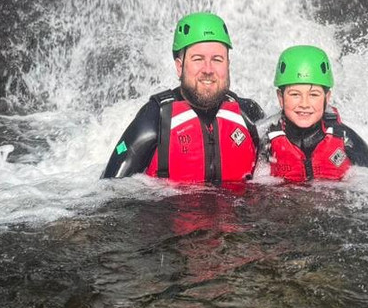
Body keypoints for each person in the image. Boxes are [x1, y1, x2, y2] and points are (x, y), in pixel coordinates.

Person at [102, 12, 264, 183]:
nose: (208, 69)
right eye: (198, 59)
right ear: (179, 67)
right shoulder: (155, 118)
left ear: (228, 64)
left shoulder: (249, 114)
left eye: (217, 59)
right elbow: (110, 191)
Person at [264, 45, 368, 181]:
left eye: (314, 95)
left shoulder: (346, 139)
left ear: (327, 98)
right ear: (281, 98)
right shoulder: (266, 143)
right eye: (295, 94)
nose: (304, 104)